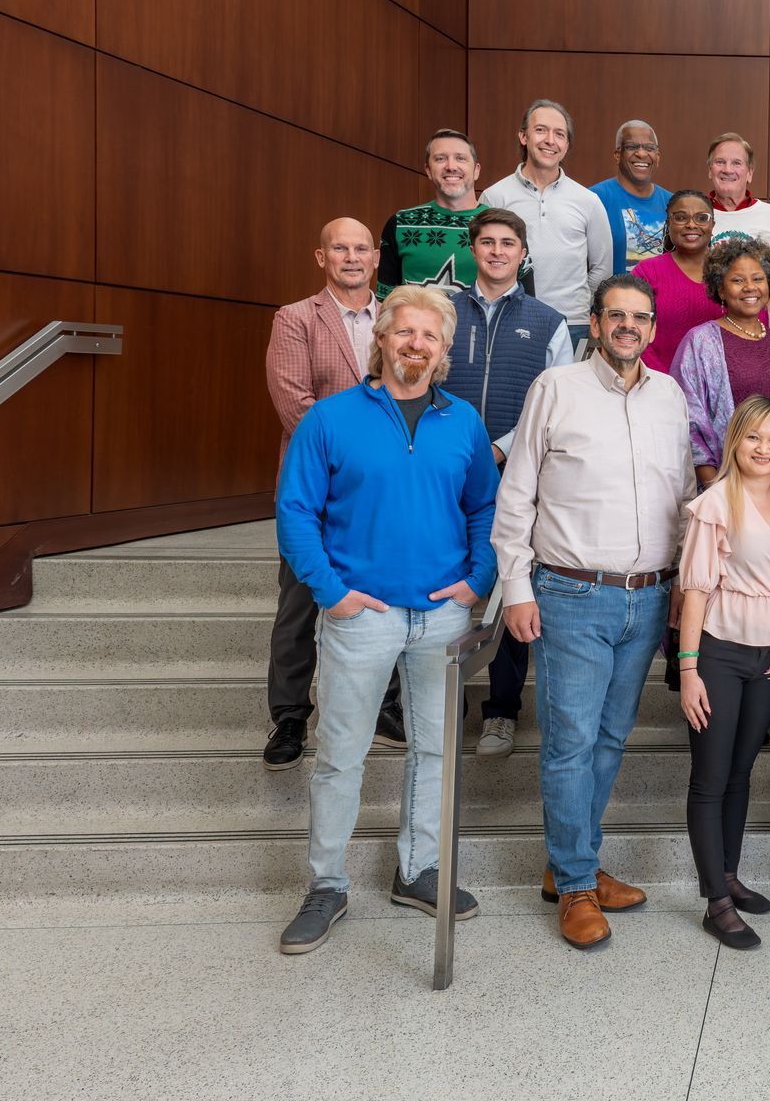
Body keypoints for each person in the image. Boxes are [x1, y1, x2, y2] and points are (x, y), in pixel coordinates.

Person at [274, 285, 499, 955]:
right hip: (360, 615)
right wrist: (331, 592)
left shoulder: (462, 421)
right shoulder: (331, 419)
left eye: (429, 337)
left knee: (434, 749)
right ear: (381, 339)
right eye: (404, 333)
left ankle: (418, 869)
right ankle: (327, 884)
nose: (415, 345)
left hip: (440, 616)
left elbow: (487, 508)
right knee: (342, 756)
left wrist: (477, 579)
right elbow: (295, 512)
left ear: (444, 350)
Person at [495, 274, 697, 951]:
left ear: (652, 326)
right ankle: (577, 885)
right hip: (572, 593)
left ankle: (569, 862)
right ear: (595, 321)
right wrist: (516, 588)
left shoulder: (669, 396)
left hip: (648, 596)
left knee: (610, 739)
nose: (629, 327)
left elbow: (683, 494)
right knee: (570, 742)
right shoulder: (556, 389)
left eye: (641, 317)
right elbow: (516, 495)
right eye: (617, 316)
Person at [263, 219, 405, 767]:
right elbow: (295, 406)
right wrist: (355, 460)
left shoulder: (398, 317)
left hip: (386, 492)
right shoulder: (295, 319)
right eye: (339, 248)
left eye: (361, 248)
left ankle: (387, 704)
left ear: (376, 258)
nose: (351, 257)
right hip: (315, 489)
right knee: (299, 605)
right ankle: (291, 717)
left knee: (386, 595)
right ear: (320, 257)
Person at [442, 209, 572, 759]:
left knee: (506, 589)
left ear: (523, 253)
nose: (497, 251)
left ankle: (501, 711)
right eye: (488, 242)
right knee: (436, 585)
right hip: (440, 469)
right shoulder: (440, 309)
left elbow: (558, 402)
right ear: (474, 249)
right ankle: (435, 704)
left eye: (508, 243)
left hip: (513, 472)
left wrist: (501, 447)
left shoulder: (549, 321)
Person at [676, 397, 770, 951]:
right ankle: (715, 901)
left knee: (741, 772)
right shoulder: (715, 503)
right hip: (720, 652)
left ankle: (729, 873)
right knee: (710, 776)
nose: (763, 448)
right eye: (753, 437)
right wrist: (688, 670)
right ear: (735, 442)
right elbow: (696, 591)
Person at [479, 99, 614, 351]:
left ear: (566, 145)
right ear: (523, 136)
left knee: (568, 391)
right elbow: (484, 260)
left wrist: (579, 307)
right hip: (508, 318)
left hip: (572, 324)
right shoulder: (494, 197)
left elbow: (601, 269)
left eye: (559, 134)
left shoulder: (588, 201)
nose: (550, 140)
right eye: (541, 130)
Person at [670, 238, 770, 487]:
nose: (750, 287)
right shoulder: (701, 341)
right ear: (721, 290)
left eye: (758, 279)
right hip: (723, 482)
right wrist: (714, 487)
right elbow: (688, 421)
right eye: (738, 280)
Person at [632, 190, 738, 374]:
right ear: (668, 224)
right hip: (659, 384)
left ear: (712, 225)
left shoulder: (733, 272)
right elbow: (633, 331)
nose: (691, 224)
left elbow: (753, 326)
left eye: (701, 218)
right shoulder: (647, 272)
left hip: (726, 386)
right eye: (681, 217)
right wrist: (667, 382)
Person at [377, 129, 492, 297]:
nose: (451, 167)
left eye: (460, 158)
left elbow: (523, 300)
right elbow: (384, 301)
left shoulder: (503, 226)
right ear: (428, 170)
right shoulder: (400, 224)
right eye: (440, 159)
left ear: (476, 170)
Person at [591, 120, 671, 272]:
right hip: (611, 295)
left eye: (649, 148)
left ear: (658, 156)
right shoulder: (595, 198)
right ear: (617, 155)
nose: (641, 153)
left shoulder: (673, 203)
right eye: (632, 147)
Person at [706, 132, 770, 249]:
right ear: (710, 170)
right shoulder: (695, 217)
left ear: (750, 173)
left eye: (736, 163)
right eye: (720, 162)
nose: (728, 169)